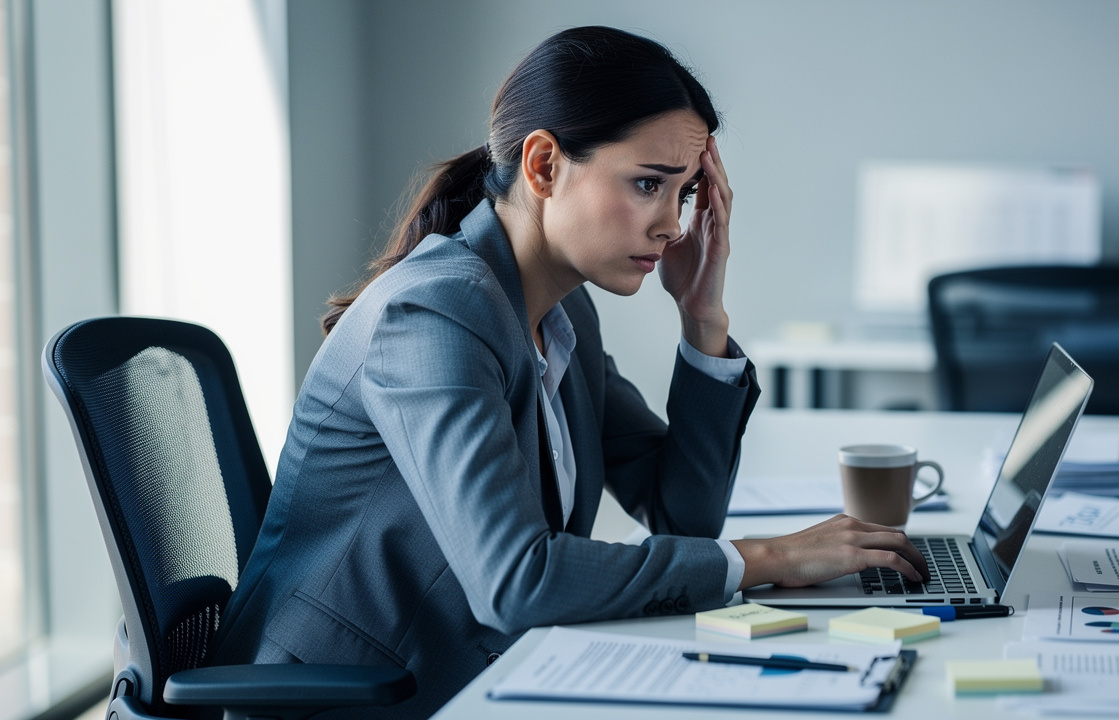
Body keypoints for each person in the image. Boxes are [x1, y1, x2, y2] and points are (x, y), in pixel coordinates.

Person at [212, 25, 928, 717]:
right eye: (648, 183)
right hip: (347, 698)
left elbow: (681, 513)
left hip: (471, 673)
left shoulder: (562, 315)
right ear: (544, 165)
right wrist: (768, 556)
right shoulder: (435, 313)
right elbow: (518, 581)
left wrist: (703, 319)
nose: (674, 226)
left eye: (683, 193)